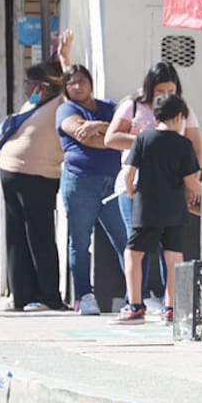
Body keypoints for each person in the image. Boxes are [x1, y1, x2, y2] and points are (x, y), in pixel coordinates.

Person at [104, 61, 202, 305]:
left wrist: (192, 185)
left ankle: (165, 302)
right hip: (139, 181)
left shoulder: (183, 109)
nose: (165, 96)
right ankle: (138, 297)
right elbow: (111, 138)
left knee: (165, 246)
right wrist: (146, 142)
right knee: (137, 240)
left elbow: (196, 149)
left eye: (171, 90)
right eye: (160, 91)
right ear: (150, 88)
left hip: (171, 182)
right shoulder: (132, 105)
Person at [0, 60, 69, 311]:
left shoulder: (60, 105)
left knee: (39, 236)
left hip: (39, 176)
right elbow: (15, 138)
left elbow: (71, 86)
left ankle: (47, 296)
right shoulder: (32, 105)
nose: (26, 88)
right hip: (12, 173)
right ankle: (21, 295)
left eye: (30, 84)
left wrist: (65, 57)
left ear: (44, 86)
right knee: (16, 237)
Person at [57, 64, 127, 316]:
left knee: (126, 240)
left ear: (91, 82)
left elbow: (127, 131)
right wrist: (109, 134)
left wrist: (97, 125)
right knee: (80, 241)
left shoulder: (108, 106)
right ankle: (84, 296)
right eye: (72, 82)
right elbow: (83, 135)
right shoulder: (66, 109)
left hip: (112, 182)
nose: (78, 86)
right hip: (80, 182)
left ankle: (136, 297)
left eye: (82, 81)